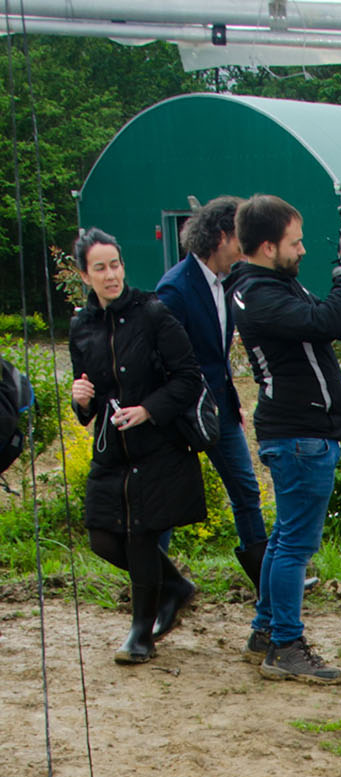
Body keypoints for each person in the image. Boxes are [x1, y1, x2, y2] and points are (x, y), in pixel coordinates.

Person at [227, 194, 341, 686]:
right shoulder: (261, 291)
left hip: (298, 432)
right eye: (295, 242)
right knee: (295, 544)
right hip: (300, 434)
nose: (303, 251)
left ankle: (266, 631)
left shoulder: (272, 285)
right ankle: (287, 646)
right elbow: (319, 321)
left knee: (283, 539)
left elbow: (329, 323)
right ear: (268, 246)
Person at [68, 227, 207, 668]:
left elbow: (188, 378)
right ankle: (175, 587)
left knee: (141, 534)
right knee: (103, 538)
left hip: (157, 445)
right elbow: (86, 399)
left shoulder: (153, 314)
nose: (111, 275)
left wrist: (148, 409)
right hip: (112, 450)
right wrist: (80, 400)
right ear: (84, 275)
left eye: (115, 265)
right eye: (100, 268)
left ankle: (140, 633)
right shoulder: (81, 326)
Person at [156, 195, 268, 637]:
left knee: (245, 488)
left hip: (220, 407)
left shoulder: (225, 279)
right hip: (184, 414)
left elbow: (216, 353)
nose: (246, 247)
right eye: (241, 237)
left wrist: (229, 394)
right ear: (222, 236)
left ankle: (266, 582)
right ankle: (161, 590)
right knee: (163, 504)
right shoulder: (176, 289)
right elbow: (168, 359)